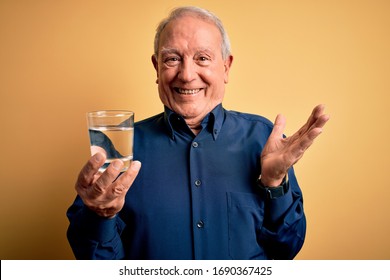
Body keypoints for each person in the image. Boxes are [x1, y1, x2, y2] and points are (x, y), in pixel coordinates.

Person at [67, 6, 329, 260]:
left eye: (202, 58)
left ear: (226, 67)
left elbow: (286, 250)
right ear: (156, 67)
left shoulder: (263, 139)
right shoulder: (117, 146)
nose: (187, 75)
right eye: (172, 59)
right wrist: (100, 215)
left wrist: (275, 184)